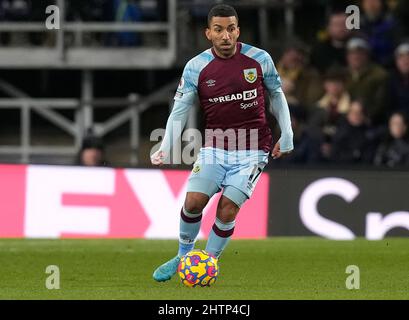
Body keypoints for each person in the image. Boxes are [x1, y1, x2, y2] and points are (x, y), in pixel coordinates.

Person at [150, 4, 293, 282]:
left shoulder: (259, 59)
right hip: (216, 146)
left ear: (237, 30)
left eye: (230, 29)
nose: (225, 36)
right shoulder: (196, 67)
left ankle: (209, 262)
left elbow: (277, 95)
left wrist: (286, 133)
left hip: (253, 148)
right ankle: (183, 256)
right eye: (218, 30)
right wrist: (166, 144)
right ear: (208, 33)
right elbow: (180, 110)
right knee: (193, 203)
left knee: (227, 208)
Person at [345, 37, 389, 125]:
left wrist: (365, 115)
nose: (355, 57)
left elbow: (380, 103)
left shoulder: (379, 75)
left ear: (367, 55)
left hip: (371, 120)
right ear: (347, 56)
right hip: (344, 119)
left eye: (360, 54)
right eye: (352, 54)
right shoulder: (342, 74)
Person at [388, 41, 409, 117]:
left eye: (408, 58)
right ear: (396, 61)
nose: (405, 61)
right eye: (401, 58)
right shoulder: (390, 78)